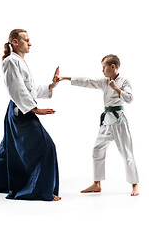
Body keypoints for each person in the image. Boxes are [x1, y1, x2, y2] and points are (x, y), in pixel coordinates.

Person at [0, 29, 61, 201]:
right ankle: (40, 191)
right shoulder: (10, 61)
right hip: (20, 111)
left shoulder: (20, 61)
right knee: (46, 147)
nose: (30, 43)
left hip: (19, 109)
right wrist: (34, 109)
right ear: (15, 42)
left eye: (29, 40)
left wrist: (51, 86)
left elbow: (31, 89)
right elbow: (15, 89)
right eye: (26, 40)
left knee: (8, 148)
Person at [57, 54, 139, 196]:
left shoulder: (124, 81)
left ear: (112, 67)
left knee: (126, 152)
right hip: (106, 121)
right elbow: (87, 81)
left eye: (104, 67)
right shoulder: (104, 81)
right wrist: (65, 78)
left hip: (119, 121)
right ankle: (97, 184)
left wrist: (117, 89)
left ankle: (135, 185)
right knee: (97, 149)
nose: (102, 71)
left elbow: (130, 99)